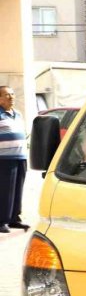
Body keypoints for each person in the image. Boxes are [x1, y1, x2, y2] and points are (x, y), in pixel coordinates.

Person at [0, 86, 29, 234]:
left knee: (18, 189)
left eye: (12, 94)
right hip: (4, 159)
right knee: (5, 190)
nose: (11, 97)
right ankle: (2, 221)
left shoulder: (18, 114)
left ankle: (14, 219)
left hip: (21, 156)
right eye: (6, 95)